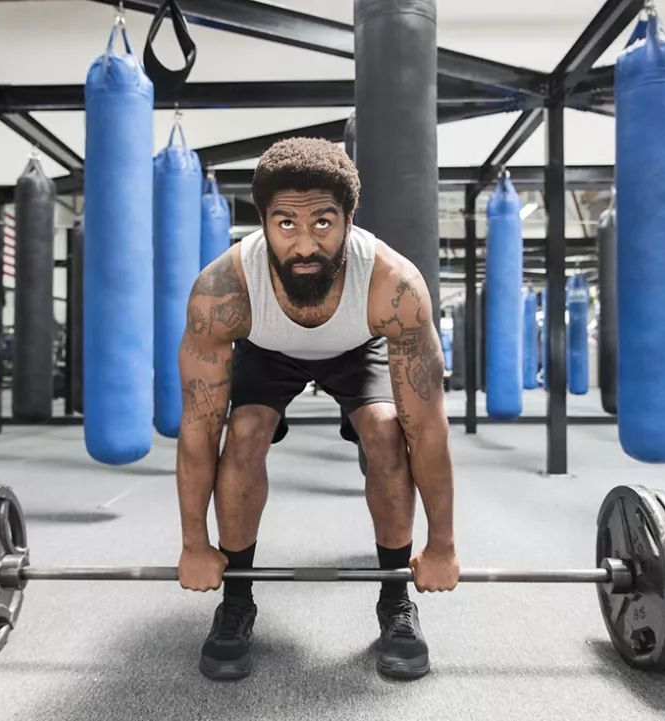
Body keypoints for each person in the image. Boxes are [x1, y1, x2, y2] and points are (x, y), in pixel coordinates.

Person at [175, 137, 459, 681]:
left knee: (385, 432)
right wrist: (193, 544)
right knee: (244, 429)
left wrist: (441, 545)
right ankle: (237, 601)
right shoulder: (222, 291)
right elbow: (196, 430)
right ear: (261, 222)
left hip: (359, 345)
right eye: (285, 225)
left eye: (323, 223)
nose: (305, 244)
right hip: (268, 345)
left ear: (350, 219)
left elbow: (427, 429)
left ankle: (395, 601)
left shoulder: (394, 287)